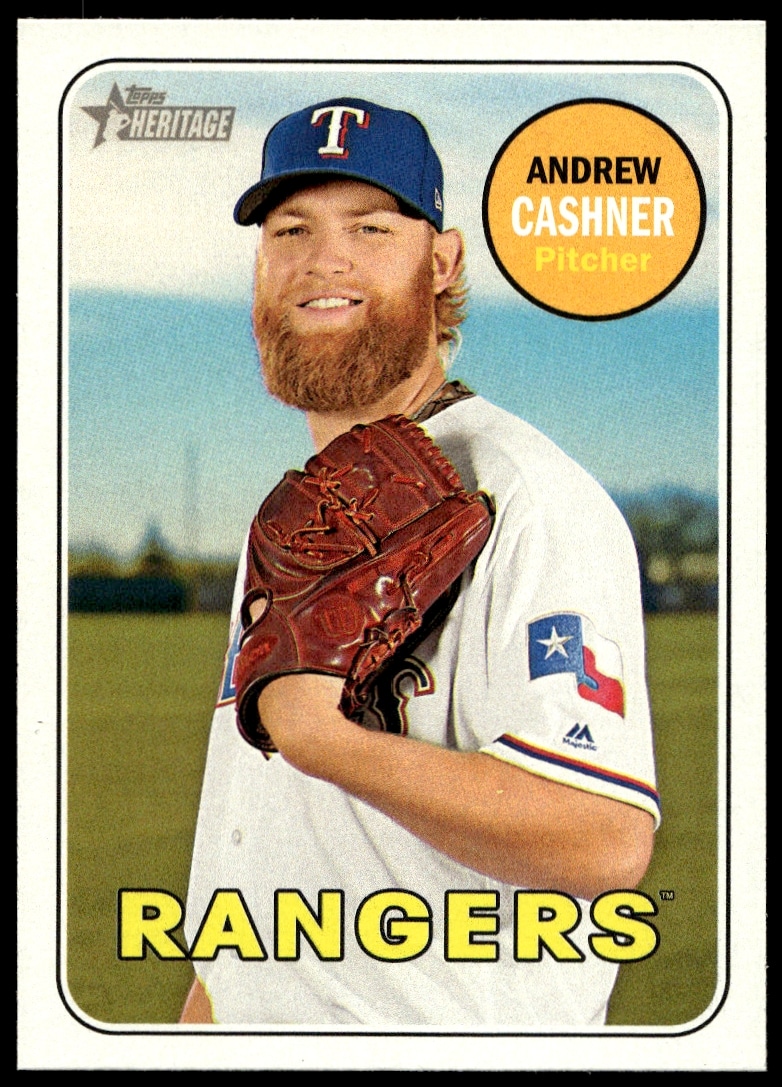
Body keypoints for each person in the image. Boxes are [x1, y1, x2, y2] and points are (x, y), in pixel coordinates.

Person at [181, 98, 659, 1027]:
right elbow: (254, 851)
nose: (324, 259)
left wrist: (328, 741)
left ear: (442, 264)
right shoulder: (297, 519)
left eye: (370, 227)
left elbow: (603, 838)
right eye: (291, 230)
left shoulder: (527, 496)